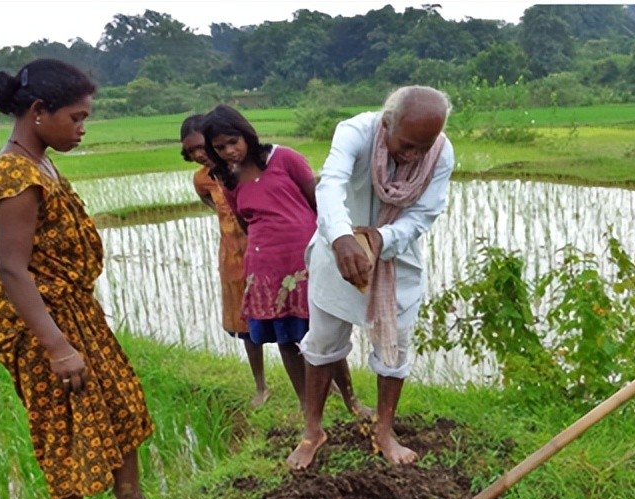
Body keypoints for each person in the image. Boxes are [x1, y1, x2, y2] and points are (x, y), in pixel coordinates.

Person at [0, 59, 185, 499]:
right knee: (62, 423)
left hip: (74, 309)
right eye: (76, 117)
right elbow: (11, 270)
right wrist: (57, 346)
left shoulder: (39, 162)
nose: (82, 128)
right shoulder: (14, 173)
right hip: (41, 322)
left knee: (120, 401)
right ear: (38, 110)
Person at [286, 86, 455, 470]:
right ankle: (312, 431)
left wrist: (381, 239)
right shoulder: (355, 132)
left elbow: (424, 214)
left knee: (394, 349)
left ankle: (384, 431)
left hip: (396, 262)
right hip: (337, 256)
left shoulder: (441, 153)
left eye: (423, 147)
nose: (413, 156)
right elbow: (330, 184)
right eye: (407, 144)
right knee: (323, 343)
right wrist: (342, 237)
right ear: (387, 123)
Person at [199, 105, 365, 415]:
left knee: (325, 334)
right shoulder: (228, 179)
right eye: (219, 147)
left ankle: (351, 401)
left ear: (246, 135)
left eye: (233, 141)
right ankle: (307, 407)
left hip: (306, 261)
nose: (229, 151)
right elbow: (245, 222)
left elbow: (319, 203)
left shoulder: (285, 158)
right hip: (266, 268)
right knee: (286, 339)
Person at [180, 113, 270, 407]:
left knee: (290, 317)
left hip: (267, 251)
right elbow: (218, 209)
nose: (198, 154)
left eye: (201, 146)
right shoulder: (202, 180)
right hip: (233, 256)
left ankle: (325, 382)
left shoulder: (250, 167)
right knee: (246, 325)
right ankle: (261, 387)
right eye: (191, 150)